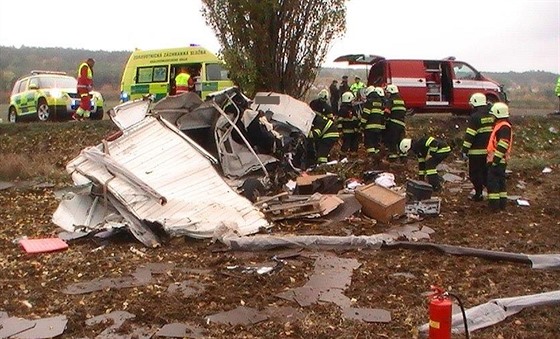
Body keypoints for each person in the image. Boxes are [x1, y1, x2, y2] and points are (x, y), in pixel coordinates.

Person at [461, 93, 495, 201]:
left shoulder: (475, 117)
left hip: (476, 152)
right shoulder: (491, 116)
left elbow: (470, 135)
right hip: (489, 151)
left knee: (474, 174)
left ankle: (478, 193)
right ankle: (493, 194)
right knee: (486, 174)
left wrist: (464, 150)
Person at [486, 102, 513, 211]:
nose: (492, 117)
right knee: (501, 184)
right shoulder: (503, 126)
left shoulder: (503, 127)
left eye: (493, 115)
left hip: (497, 161)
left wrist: (495, 161)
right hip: (500, 161)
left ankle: (494, 207)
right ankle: (501, 205)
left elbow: (503, 145)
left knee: (493, 184)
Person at [361, 86, 386, 164]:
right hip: (378, 127)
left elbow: (365, 114)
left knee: (369, 143)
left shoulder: (369, 102)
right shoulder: (380, 102)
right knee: (376, 143)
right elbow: (382, 115)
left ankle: (372, 158)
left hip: (369, 127)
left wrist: (362, 125)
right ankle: (377, 159)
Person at [383, 84, 407, 162]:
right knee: (401, 141)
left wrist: (384, 118)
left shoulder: (391, 100)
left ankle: (393, 159)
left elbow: (387, 111)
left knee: (392, 141)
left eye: (388, 93)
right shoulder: (401, 100)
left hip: (393, 124)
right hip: (402, 124)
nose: (387, 94)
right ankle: (403, 158)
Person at [336, 91, 360, 160]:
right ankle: (342, 158)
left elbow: (356, 120)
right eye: (352, 100)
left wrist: (358, 129)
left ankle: (353, 159)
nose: (353, 101)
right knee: (345, 146)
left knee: (354, 146)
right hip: (346, 133)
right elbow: (339, 121)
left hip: (354, 133)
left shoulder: (353, 109)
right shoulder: (342, 110)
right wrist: (340, 131)